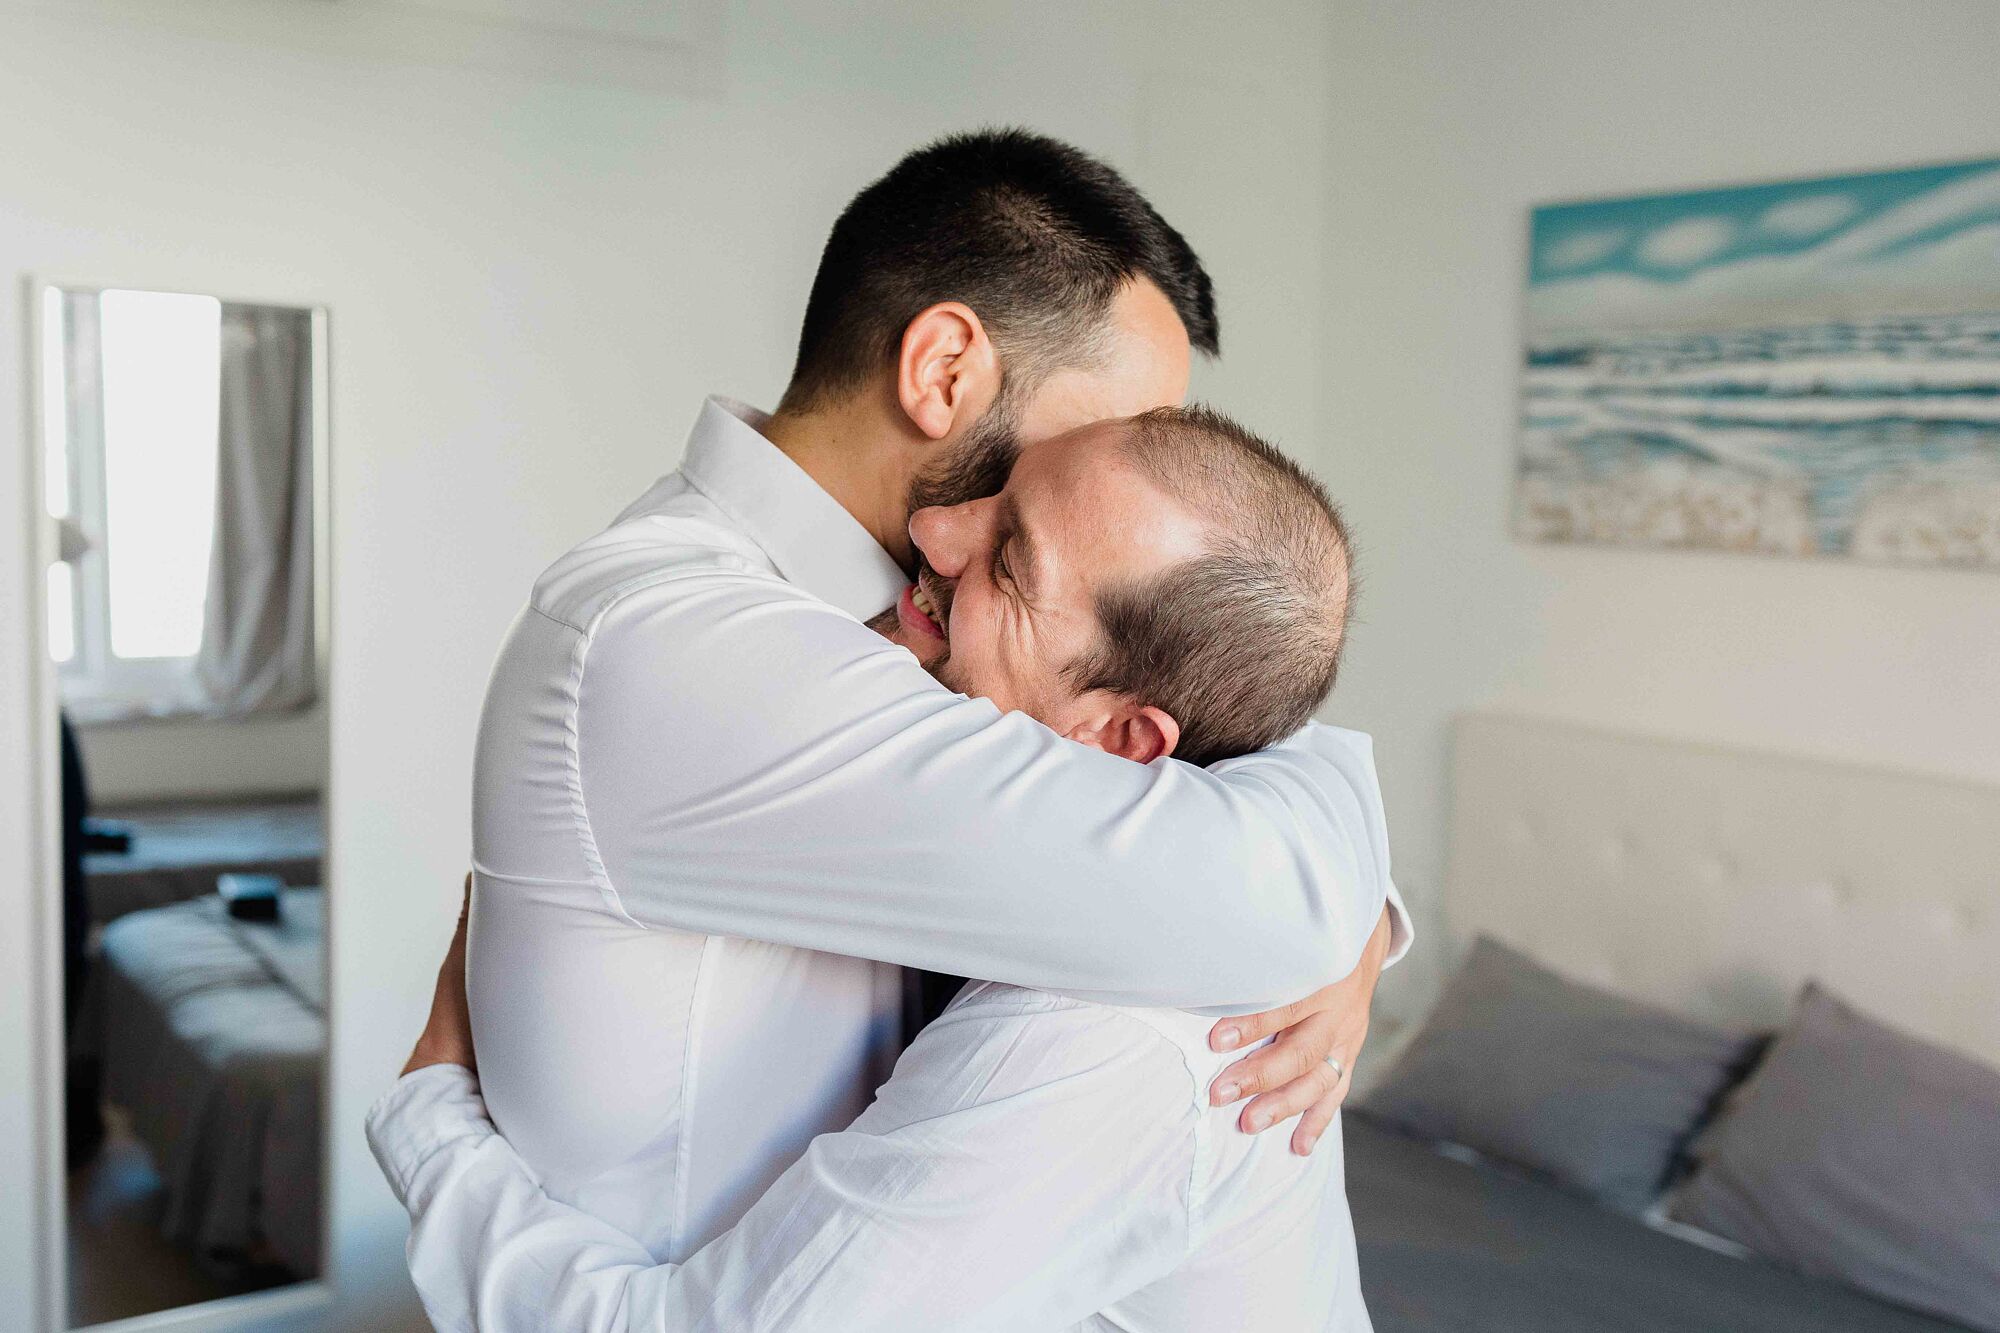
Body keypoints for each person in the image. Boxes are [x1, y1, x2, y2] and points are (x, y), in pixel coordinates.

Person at [371, 127, 1408, 1304]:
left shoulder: (951, 649)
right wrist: (1340, 904)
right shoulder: (690, 645)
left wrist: (1363, 912)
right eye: (1100, 436)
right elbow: (1262, 898)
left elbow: (1229, 756)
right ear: (944, 370)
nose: (1128, 470)